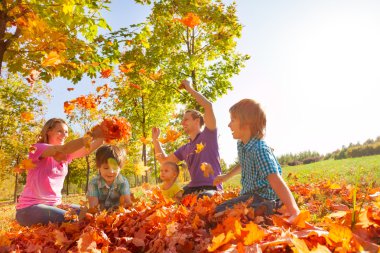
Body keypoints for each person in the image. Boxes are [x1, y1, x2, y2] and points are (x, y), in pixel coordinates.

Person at [213, 99, 300, 221]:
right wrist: (226, 176)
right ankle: (259, 209)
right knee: (219, 211)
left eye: (232, 120)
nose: (228, 125)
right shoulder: (242, 145)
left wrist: (294, 210)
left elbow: (274, 178)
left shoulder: (259, 149)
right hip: (250, 195)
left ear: (246, 122)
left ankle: (271, 205)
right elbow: (243, 164)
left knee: (222, 212)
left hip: (264, 195)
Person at [16, 118, 104, 226]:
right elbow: (64, 148)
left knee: (91, 215)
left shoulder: (66, 156)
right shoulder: (37, 148)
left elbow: (87, 150)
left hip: (55, 205)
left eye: (66, 132)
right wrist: (93, 135)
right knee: (73, 222)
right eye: (60, 131)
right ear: (48, 131)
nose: (65, 135)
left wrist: (104, 135)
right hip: (29, 208)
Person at [152, 79, 222, 197]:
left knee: (203, 199)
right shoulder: (185, 148)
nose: (182, 122)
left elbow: (208, 106)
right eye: (182, 120)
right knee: (170, 199)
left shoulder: (209, 135)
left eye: (186, 119)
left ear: (197, 121)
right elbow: (164, 161)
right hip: (192, 188)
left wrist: (188, 88)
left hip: (211, 187)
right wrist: (155, 140)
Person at [87, 145, 132, 211]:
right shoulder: (94, 183)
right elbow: (93, 208)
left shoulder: (123, 182)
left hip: (118, 215)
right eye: (106, 168)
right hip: (100, 216)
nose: (111, 171)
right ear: (99, 167)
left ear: (120, 167)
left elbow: (127, 204)